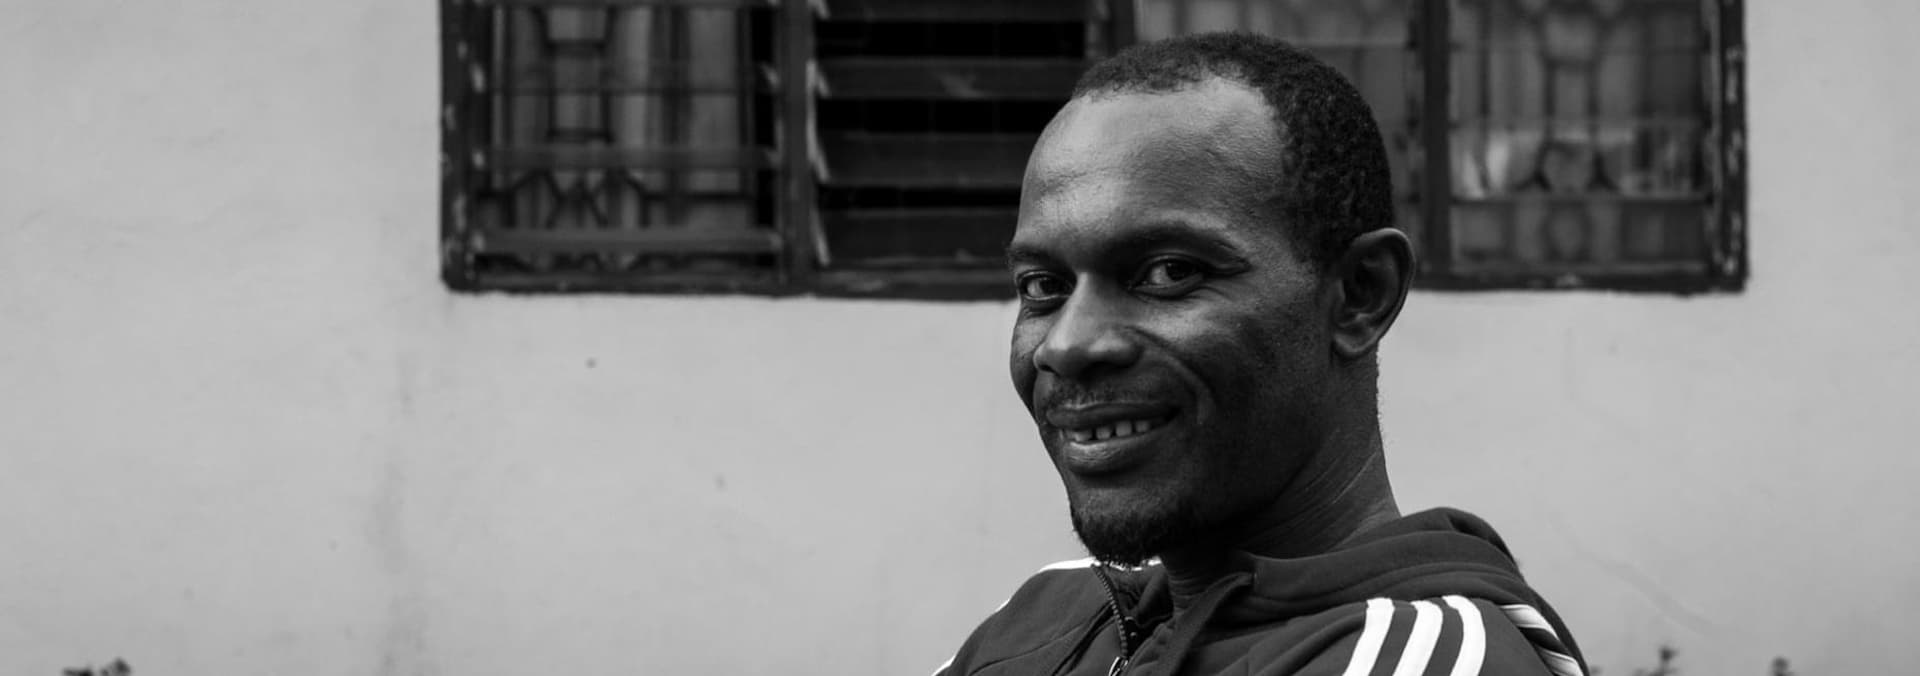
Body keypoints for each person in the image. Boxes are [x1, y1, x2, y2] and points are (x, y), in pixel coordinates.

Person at [935, 32, 1587, 676]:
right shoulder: (1046, 620)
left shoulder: (1418, 659)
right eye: (1043, 286)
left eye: (1169, 272)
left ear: (1360, 294)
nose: (1068, 345)